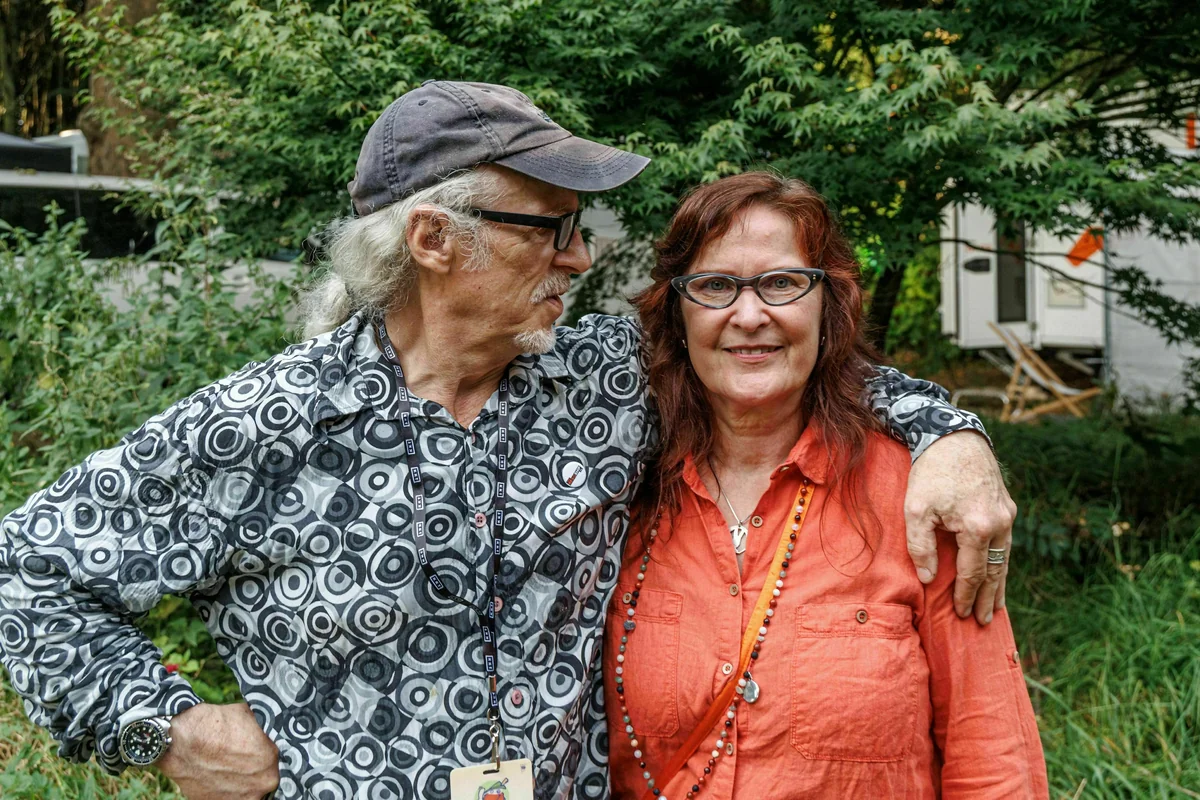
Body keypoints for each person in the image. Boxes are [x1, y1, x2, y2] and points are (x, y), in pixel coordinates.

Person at [0, 82, 1014, 800]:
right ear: (434, 240)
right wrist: (166, 727)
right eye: (550, 227)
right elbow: (27, 570)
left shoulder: (603, 376)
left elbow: (776, 351)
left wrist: (953, 436)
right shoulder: (266, 425)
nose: (580, 257)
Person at [604, 172, 1047, 799]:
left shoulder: (922, 495)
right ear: (677, 312)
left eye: (782, 283)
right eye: (715, 286)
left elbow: (992, 758)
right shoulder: (616, 489)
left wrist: (959, 437)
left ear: (827, 305)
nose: (749, 315)